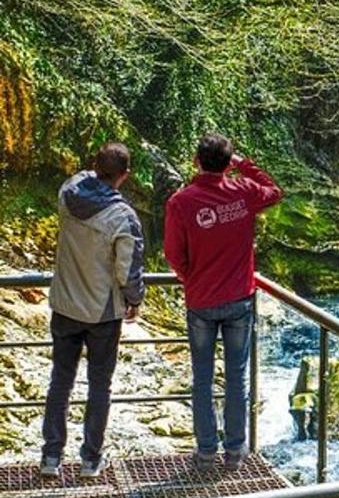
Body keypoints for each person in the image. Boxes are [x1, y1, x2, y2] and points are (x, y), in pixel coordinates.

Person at [164, 133, 283, 472]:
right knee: (237, 377)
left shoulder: (181, 202)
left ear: (195, 160)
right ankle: (234, 451)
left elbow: (173, 254)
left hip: (201, 300)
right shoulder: (243, 191)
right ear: (228, 163)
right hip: (239, 299)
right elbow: (274, 191)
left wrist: (192, 279)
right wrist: (244, 165)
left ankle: (205, 452)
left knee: (201, 378)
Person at [42, 142, 145, 479]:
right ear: (125, 175)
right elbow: (127, 270)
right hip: (102, 313)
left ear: (94, 166)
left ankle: (51, 457)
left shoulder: (68, 193)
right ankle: (90, 459)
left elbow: (83, 176)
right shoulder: (122, 216)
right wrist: (135, 299)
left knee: (60, 381)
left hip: (65, 305)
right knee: (100, 385)